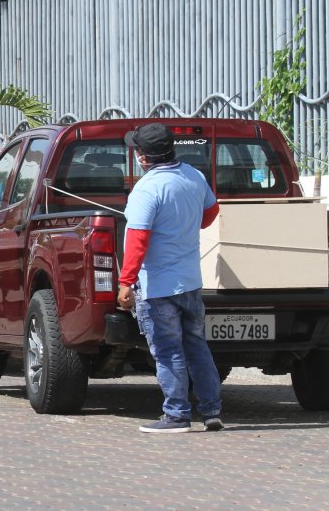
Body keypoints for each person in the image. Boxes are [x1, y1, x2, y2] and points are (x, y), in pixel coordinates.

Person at [116, 122, 223, 434]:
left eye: (137, 150)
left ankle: (176, 415)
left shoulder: (147, 189)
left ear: (144, 157)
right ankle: (212, 410)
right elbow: (210, 213)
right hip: (190, 281)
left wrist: (126, 282)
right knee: (196, 347)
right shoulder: (193, 175)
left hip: (158, 286)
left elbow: (137, 239)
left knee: (168, 351)